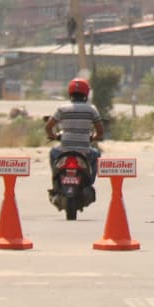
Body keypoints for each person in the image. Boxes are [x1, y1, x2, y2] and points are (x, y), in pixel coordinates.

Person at [45, 76, 104, 209]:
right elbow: (100, 130)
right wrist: (95, 137)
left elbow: (48, 126)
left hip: (64, 149)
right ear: (86, 93)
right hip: (84, 150)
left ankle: (55, 181)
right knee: (96, 154)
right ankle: (89, 182)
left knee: (53, 153)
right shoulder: (91, 109)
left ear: (70, 92)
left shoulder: (62, 108)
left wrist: (53, 136)